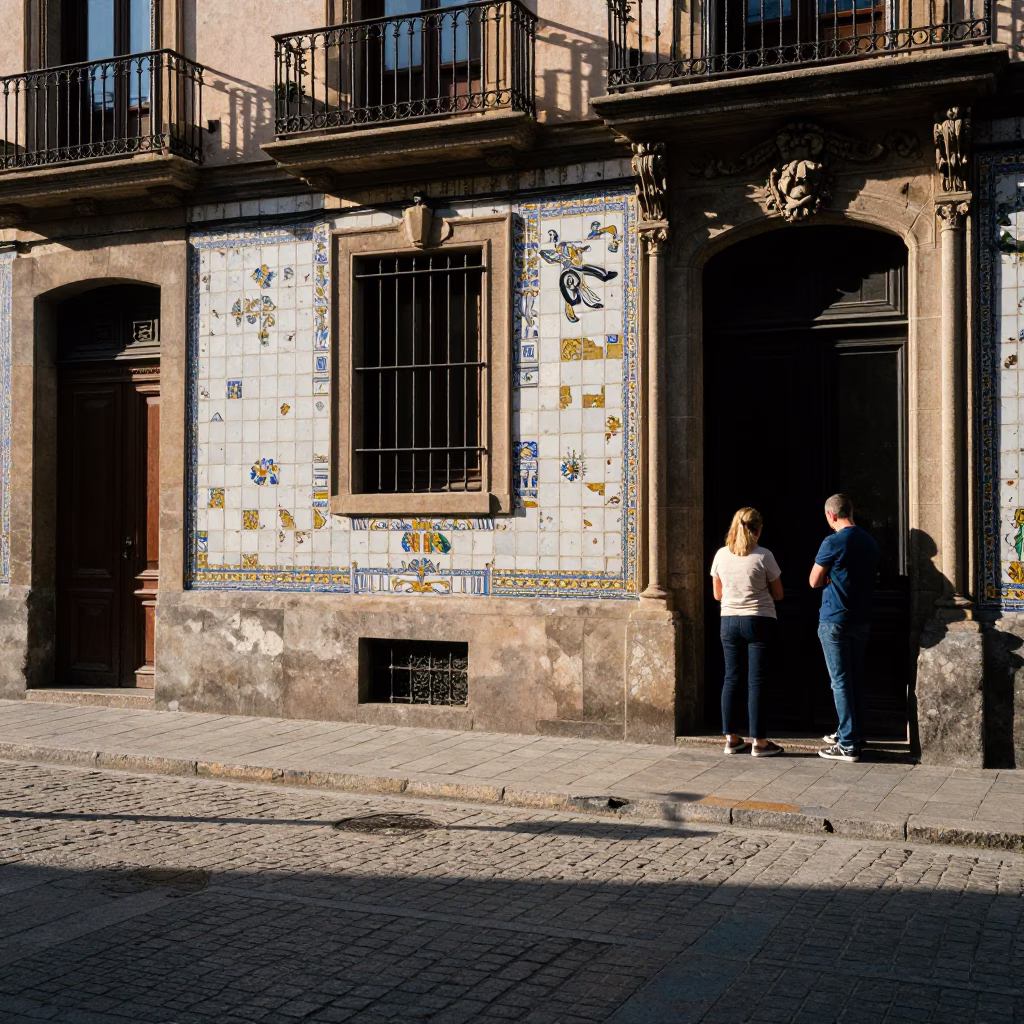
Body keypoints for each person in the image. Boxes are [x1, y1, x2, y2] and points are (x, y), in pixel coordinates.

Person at [710, 507, 785, 757]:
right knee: (757, 682)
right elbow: (779, 593)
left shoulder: (721, 555)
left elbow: (717, 595)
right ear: (759, 529)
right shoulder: (764, 556)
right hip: (758, 620)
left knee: (731, 677)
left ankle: (731, 739)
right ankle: (759, 742)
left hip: (728, 621)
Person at [809, 494, 878, 763]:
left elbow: (814, 580)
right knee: (853, 679)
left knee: (839, 681)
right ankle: (852, 733)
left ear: (831, 515)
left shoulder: (833, 541)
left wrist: (827, 577)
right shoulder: (869, 541)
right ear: (851, 511)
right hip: (861, 619)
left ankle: (848, 745)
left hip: (835, 618)